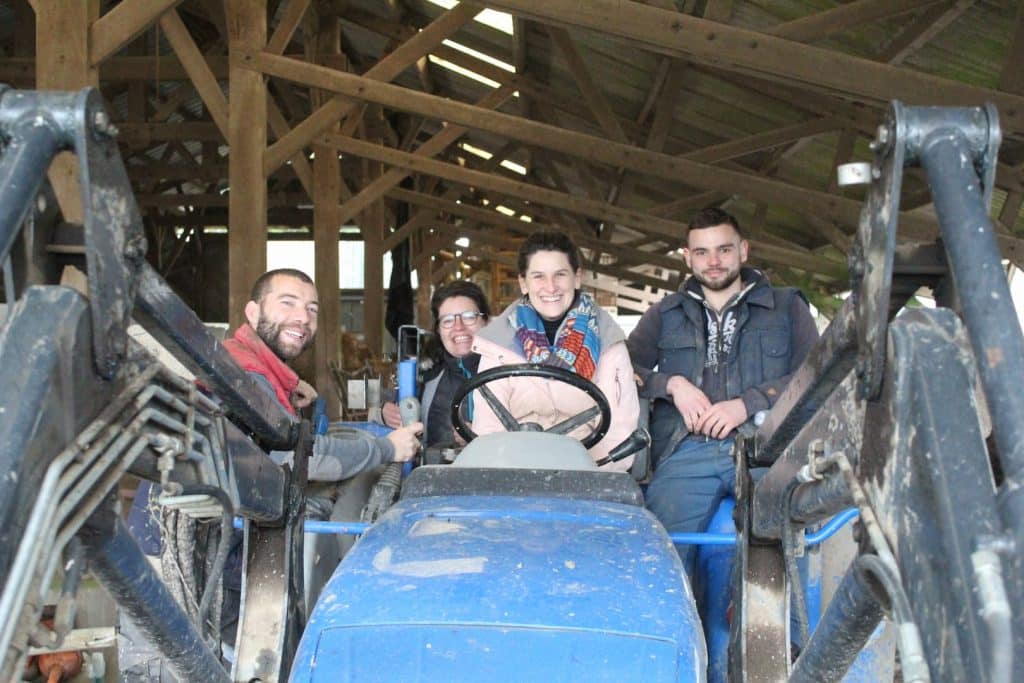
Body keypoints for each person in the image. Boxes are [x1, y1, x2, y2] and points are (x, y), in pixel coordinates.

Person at [627, 207, 819, 572]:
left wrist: (749, 403)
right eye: (701, 252)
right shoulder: (665, 314)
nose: (713, 261)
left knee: (783, 560)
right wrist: (671, 384)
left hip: (769, 449)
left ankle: (779, 629)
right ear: (687, 257)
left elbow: (814, 373)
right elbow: (624, 369)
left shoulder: (786, 306)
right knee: (657, 559)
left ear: (743, 250)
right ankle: (681, 628)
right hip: (686, 451)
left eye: (724, 250)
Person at [224, 268, 423, 478]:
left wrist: (288, 381)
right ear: (253, 313)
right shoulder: (247, 379)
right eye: (287, 303)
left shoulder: (237, 356)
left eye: (312, 309)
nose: (303, 317)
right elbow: (304, 459)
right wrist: (388, 448)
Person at [470, 230, 639, 470]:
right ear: (523, 283)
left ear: (577, 278)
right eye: (538, 276)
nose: (550, 287)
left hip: (587, 472)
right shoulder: (496, 343)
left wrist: (585, 475)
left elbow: (619, 430)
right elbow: (487, 429)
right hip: (511, 469)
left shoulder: (609, 343)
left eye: (560, 274)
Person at [381, 280, 491, 447]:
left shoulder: (508, 373)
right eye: (447, 320)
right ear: (439, 330)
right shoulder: (427, 372)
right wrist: (384, 413)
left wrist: (488, 436)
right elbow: (388, 403)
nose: (459, 327)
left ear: (486, 321)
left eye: (469, 317)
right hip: (432, 469)